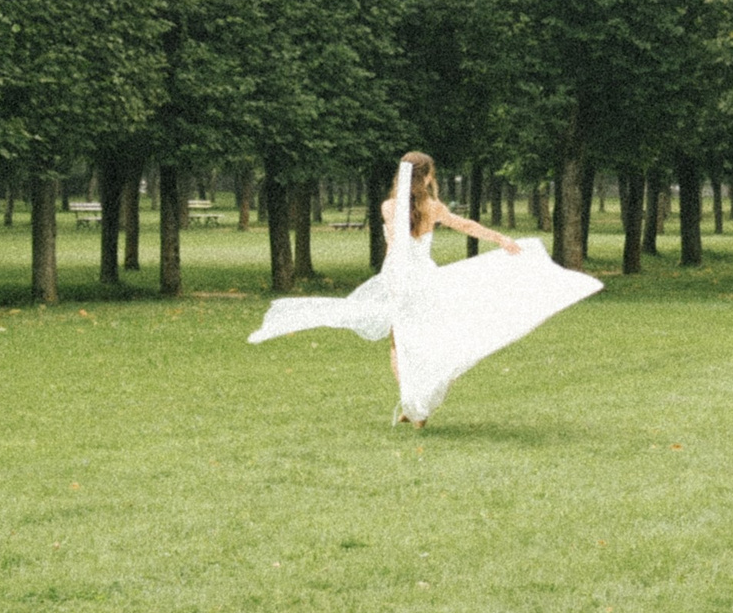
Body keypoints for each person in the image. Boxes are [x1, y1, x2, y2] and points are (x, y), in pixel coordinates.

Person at [247, 151, 602, 425]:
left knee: (401, 342)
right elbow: (463, 224)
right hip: (423, 278)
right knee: (429, 337)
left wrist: (390, 275)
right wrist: (501, 239)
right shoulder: (432, 206)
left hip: (399, 279)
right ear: (427, 176)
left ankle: (415, 406)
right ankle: (417, 404)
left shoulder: (389, 206)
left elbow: (395, 245)